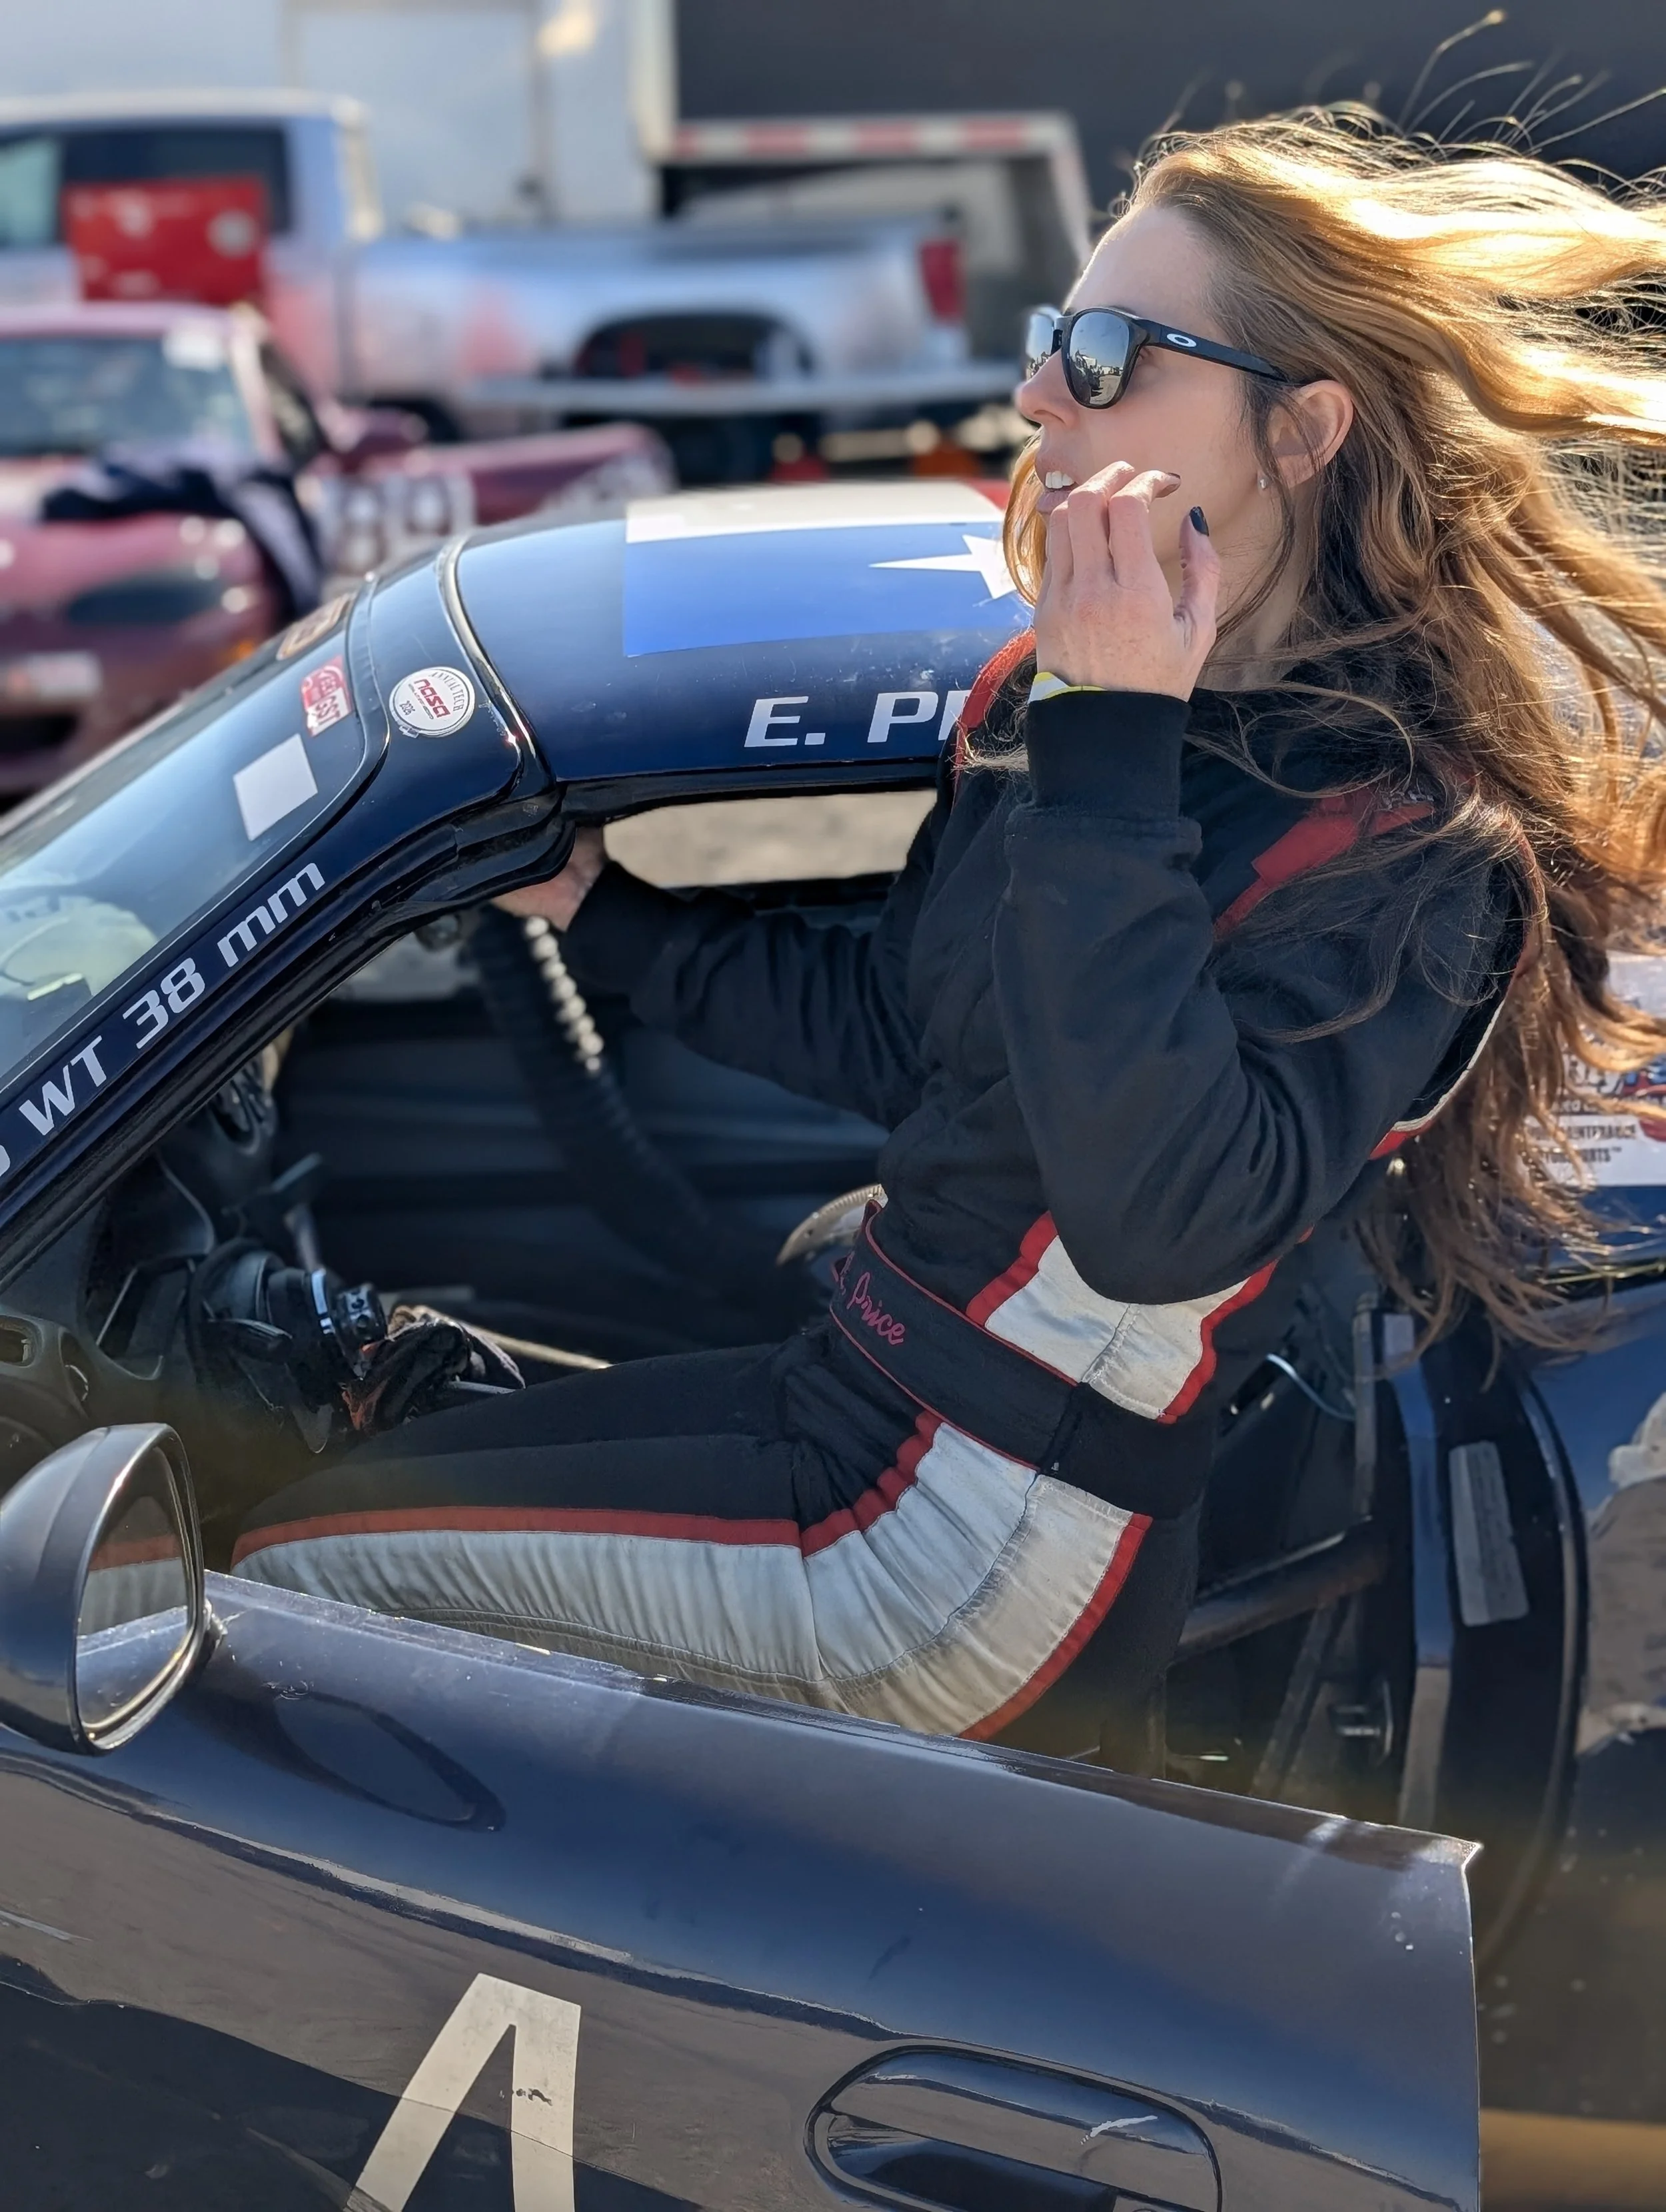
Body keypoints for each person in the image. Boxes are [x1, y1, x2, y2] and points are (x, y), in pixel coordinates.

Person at [231, 109, 1666, 1755]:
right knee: (317, 1471)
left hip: (984, 1529)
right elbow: (906, 1036)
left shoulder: (1407, 850)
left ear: (1301, 429)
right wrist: (595, 908)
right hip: (851, 1393)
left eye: (1112, 353)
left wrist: (1112, 739)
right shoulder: (1058, 711)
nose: (1036, 396)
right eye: (1054, 340)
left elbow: (1159, 1222)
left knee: (291, 1571)